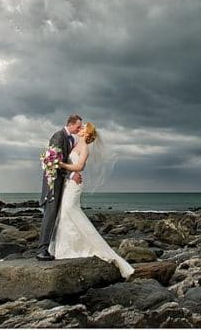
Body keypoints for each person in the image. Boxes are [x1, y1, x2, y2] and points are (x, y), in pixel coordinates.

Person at [48, 121, 134, 279]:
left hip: (74, 185)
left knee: (69, 211)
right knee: (65, 213)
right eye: (80, 127)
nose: (80, 129)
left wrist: (60, 164)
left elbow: (79, 167)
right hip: (68, 182)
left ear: (87, 134)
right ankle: (64, 249)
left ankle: (80, 248)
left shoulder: (84, 148)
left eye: (83, 128)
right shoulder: (74, 144)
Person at [36, 114, 83, 261]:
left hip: (60, 183)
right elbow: (53, 162)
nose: (80, 128)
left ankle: (50, 247)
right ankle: (42, 250)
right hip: (53, 183)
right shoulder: (58, 136)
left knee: (55, 215)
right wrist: (70, 174)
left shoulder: (70, 139)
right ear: (70, 124)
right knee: (50, 215)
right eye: (78, 126)